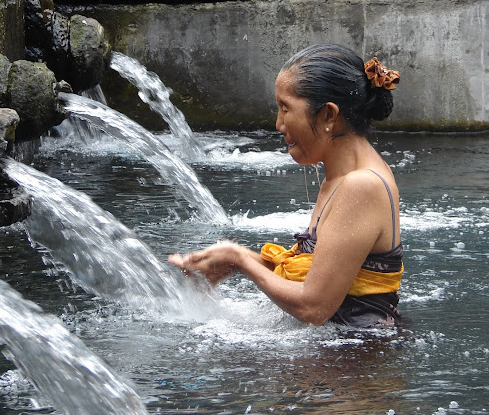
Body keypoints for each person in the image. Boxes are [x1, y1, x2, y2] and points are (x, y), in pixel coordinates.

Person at [168, 44, 405, 328]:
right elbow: (317, 275)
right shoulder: (343, 176)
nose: (279, 124)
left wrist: (241, 261)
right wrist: (239, 257)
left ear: (328, 115)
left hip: (358, 361)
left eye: (285, 108)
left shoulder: (361, 185)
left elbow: (314, 306)